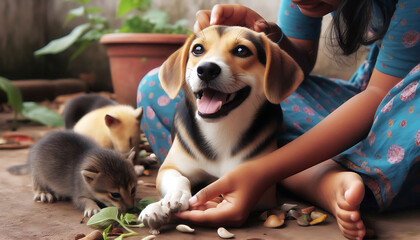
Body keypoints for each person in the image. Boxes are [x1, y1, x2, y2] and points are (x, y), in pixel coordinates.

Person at [137, 0, 419, 239]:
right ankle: (309, 175)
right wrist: (269, 37)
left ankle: (294, 176)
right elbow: (296, 68)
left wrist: (261, 171)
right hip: (364, 102)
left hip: (403, 113)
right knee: (157, 88)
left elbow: (381, 95)